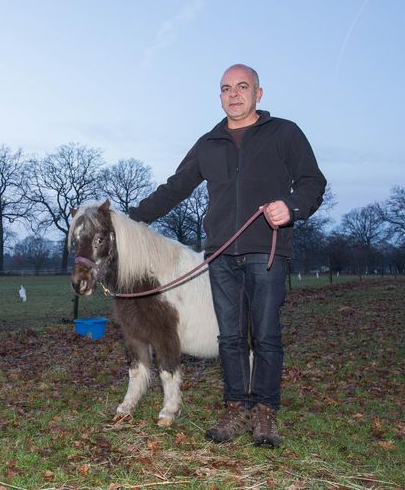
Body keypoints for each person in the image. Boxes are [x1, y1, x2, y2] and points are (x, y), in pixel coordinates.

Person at [128, 64, 326, 447]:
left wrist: (293, 207)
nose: (233, 94)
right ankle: (236, 407)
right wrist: (128, 218)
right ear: (219, 96)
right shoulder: (209, 143)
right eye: (225, 89)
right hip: (220, 254)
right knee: (230, 337)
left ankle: (265, 411)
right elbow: (175, 188)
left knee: (265, 335)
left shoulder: (284, 133)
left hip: (267, 251)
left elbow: (312, 181)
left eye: (242, 87)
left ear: (259, 93)